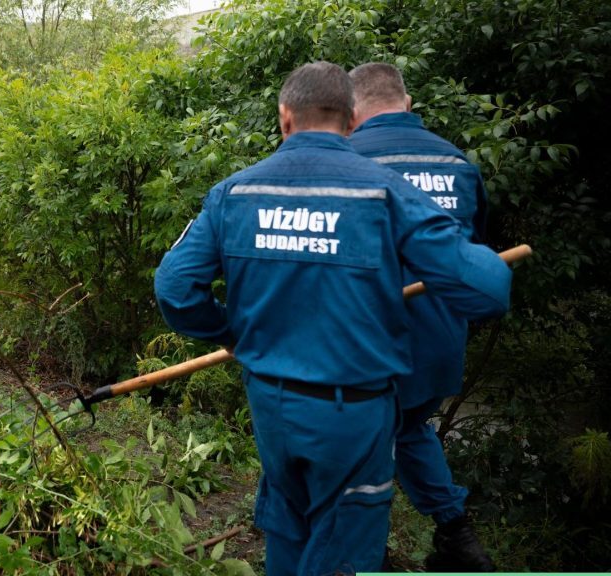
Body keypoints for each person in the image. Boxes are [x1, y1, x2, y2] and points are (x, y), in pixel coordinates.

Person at [153, 62, 513, 575]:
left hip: (271, 405)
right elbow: (487, 287)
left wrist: (233, 333)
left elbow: (174, 288)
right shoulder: (385, 192)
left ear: (284, 118)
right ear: (350, 121)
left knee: (288, 528)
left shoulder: (235, 192)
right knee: (343, 547)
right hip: (353, 413)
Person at [348, 62, 496, 571]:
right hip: (438, 343)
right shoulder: (457, 162)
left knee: (357, 445)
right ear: (406, 104)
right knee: (410, 428)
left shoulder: (346, 161)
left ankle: (365, 554)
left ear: (351, 113)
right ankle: (457, 534)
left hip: (369, 343)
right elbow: (471, 258)